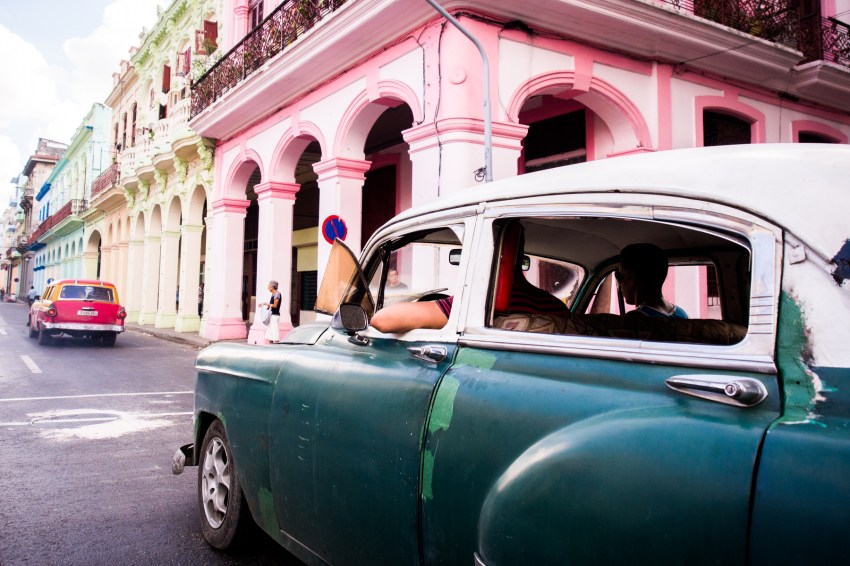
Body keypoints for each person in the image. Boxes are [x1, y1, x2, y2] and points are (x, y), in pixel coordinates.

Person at [617, 243, 688, 319]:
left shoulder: (635, 319)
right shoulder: (682, 314)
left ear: (633, 276)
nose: (619, 284)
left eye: (619, 276)